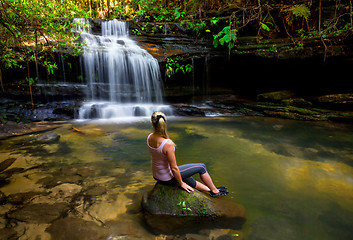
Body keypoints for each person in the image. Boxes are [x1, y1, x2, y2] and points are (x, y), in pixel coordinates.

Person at [147, 111, 228, 197]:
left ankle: (210, 189)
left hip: (157, 176)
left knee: (188, 177)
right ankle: (215, 191)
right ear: (165, 121)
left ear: (152, 123)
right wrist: (181, 183)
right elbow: (174, 168)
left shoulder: (149, 137)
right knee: (201, 167)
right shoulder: (167, 143)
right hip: (167, 178)